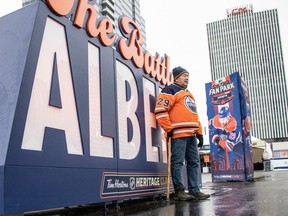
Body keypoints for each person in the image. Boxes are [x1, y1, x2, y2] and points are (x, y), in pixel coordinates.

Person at [154, 66, 210, 201]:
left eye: (188, 76)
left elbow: (194, 114)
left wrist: (200, 133)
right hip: (178, 134)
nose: (187, 78)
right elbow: (160, 110)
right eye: (184, 75)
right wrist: (169, 129)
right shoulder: (170, 90)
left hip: (191, 134)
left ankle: (194, 190)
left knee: (194, 162)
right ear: (177, 77)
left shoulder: (189, 94)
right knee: (178, 162)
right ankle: (179, 191)